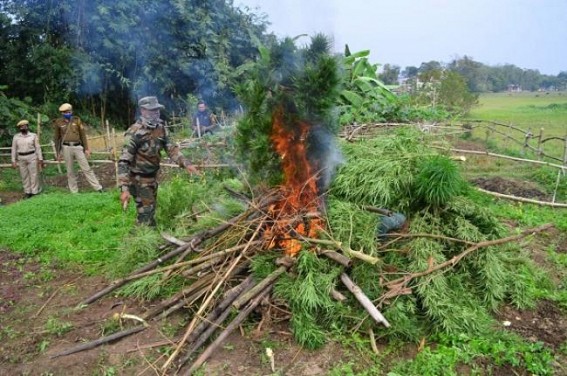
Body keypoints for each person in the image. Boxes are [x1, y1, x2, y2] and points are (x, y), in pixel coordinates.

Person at [119, 96, 199, 227]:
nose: (156, 112)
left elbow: (171, 149)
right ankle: (141, 240)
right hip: (139, 180)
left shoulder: (161, 128)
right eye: (152, 110)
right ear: (143, 110)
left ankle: (145, 235)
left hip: (152, 178)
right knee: (146, 214)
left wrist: (186, 164)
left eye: (157, 110)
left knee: (149, 212)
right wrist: (124, 189)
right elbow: (123, 161)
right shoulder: (134, 132)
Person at [53, 103, 103, 193]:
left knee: (86, 168)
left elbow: (83, 135)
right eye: (65, 112)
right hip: (66, 148)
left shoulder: (77, 120)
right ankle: (74, 191)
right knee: (70, 171)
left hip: (78, 147)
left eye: (69, 111)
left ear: (71, 111)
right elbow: (57, 138)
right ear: (62, 113)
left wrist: (86, 149)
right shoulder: (58, 122)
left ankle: (98, 188)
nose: (67, 113)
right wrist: (58, 153)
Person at [11, 120, 44, 198]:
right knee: (24, 175)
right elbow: (14, 149)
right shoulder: (16, 137)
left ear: (27, 127)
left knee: (34, 174)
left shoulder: (33, 136)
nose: (23, 127)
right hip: (21, 158)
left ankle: (34, 192)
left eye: (25, 126)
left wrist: (40, 158)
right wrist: (13, 160)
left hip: (32, 156)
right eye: (21, 126)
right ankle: (27, 192)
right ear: (19, 128)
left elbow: (38, 147)